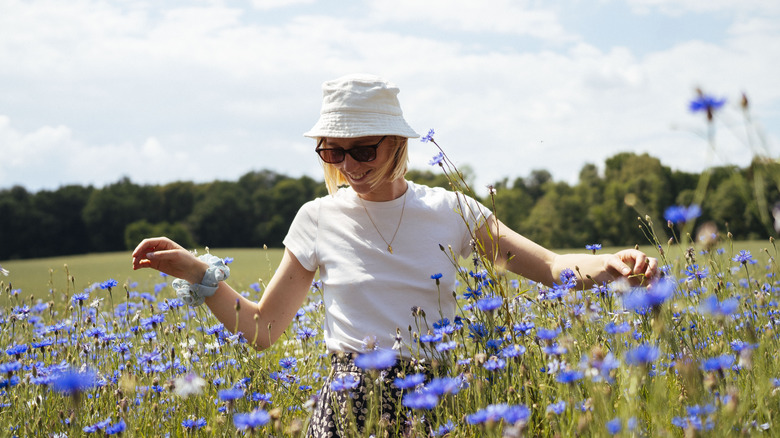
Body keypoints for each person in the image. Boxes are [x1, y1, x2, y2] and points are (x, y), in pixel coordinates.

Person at [131, 73, 658, 436]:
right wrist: (199, 275)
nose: (349, 165)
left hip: (440, 396)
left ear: (398, 144)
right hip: (347, 402)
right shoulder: (316, 217)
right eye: (333, 152)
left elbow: (548, 267)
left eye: (364, 150)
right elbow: (264, 330)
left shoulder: (452, 209)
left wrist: (610, 265)